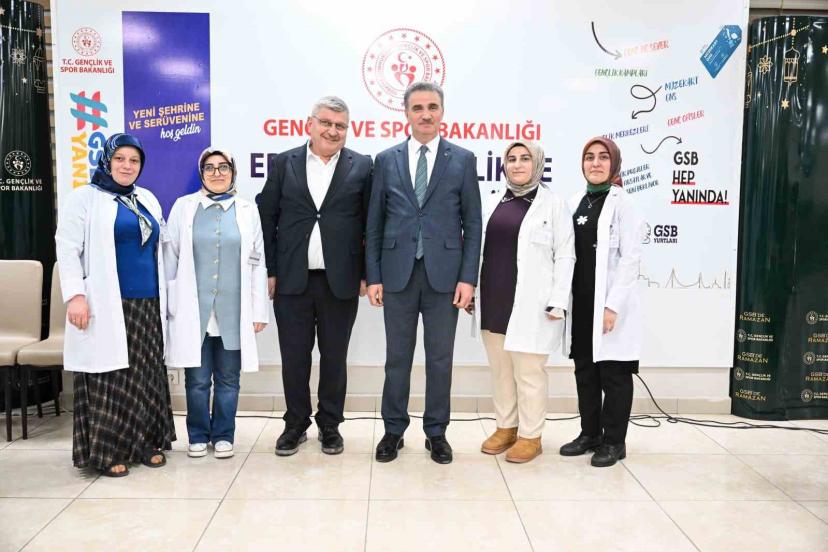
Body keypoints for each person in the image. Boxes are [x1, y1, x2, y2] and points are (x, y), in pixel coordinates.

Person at [366, 81, 482, 464]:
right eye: (418, 108)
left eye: (432, 107)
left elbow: (473, 224)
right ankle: (393, 431)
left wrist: (468, 278)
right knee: (397, 358)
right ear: (406, 113)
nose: (426, 114)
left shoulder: (462, 159)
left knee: (440, 360)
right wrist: (374, 276)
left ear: (442, 112)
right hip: (397, 274)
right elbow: (374, 223)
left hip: (445, 278)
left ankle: (436, 433)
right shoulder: (386, 160)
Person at [257, 96, 373, 455]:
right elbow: (267, 218)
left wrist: (367, 274)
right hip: (292, 279)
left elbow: (371, 224)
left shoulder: (362, 165)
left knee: (335, 357)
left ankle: (330, 424)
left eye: (340, 126)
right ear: (310, 124)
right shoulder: (284, 163)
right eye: (326, 123)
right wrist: (270, 270)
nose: (332, 131)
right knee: (294, 357)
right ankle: (295, 424)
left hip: (342, 280)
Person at [55, 133, 175, 477]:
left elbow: (164, 247)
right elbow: (67, 249)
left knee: (145, 374)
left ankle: (145, 442)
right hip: (106, 302)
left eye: (134, 160)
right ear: (106, 160)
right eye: (119, 158)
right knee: (110, 376)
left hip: (148, 302)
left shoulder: (147, 198)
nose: (127, 165)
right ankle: (109, 450)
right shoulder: (84, 198)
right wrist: (75, 296)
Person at [469, 141, 575, 463]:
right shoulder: (492, 201)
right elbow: (477, 249)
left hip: (533, 304)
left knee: (529, 373)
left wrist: (559, 299)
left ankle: (531, 435)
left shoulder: (553, 204)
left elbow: (566, 254)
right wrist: (472, 291)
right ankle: (506, 427)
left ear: (537, 163)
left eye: (525, 158)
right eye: (511, 159)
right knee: (501, 370)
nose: (517, 164)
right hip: (493, 298)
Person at [164, 147, 269, 459]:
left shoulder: (247, 210)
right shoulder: (183, 208)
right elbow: (170, 260)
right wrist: (171, 305)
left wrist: (258, 310)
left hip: (234, 311)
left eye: (224, 167)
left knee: (228, 378)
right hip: (193, 310)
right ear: (201, 173)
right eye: (209, 168)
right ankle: (198, 434)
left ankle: (224, 434)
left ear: (233, 172)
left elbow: (257, 262)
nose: (217, 173)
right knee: (197, 380)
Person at [559, 136, 645, 467]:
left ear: (614, 163)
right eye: (589, 157)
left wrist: (613, 306)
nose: (595, 163)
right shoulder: (574, 202)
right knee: (585, 372)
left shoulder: (624, 204)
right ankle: (590, 434)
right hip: (581, 301)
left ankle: (614, 442)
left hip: (610, 304)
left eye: (603, 157)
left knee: (614, 374)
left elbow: (631, 259)